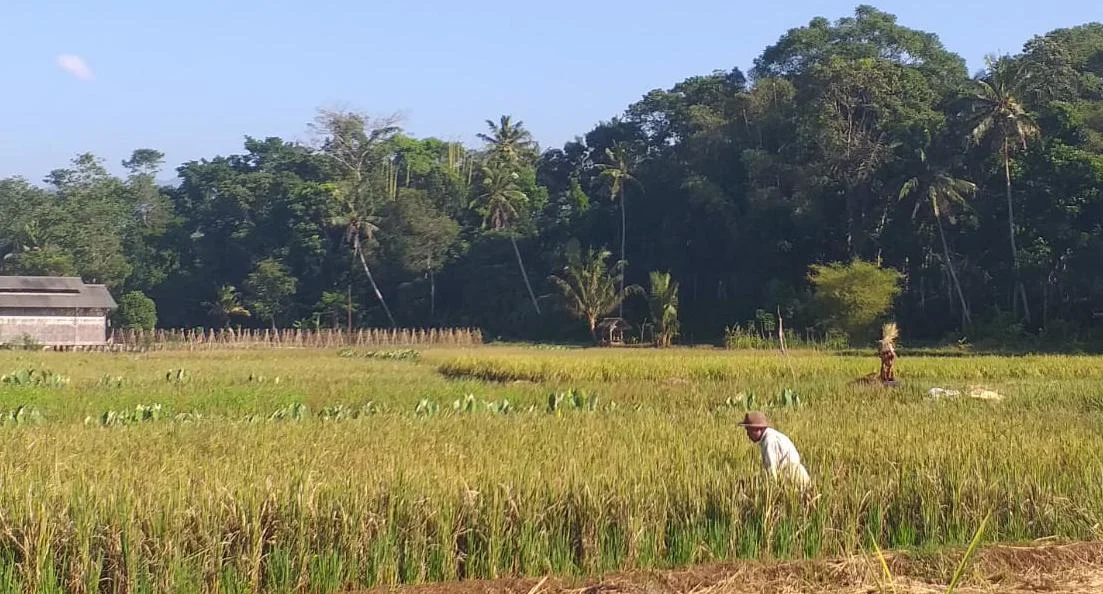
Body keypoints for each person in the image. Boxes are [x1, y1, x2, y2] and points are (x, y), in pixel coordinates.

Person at [739, 411, 810, 487]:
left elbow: (771, 472)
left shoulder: (769, 442)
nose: (747, 434)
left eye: (749, 430)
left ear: (757, 429)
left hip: (791, 478)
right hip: (798, 475)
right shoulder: (772, 436)